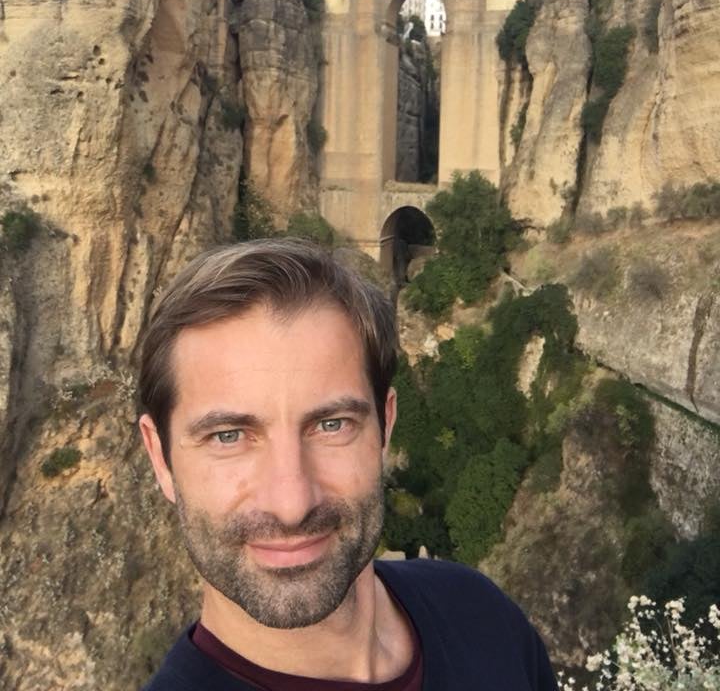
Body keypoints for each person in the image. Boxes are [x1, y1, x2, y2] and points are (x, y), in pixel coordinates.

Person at [138, 238, 558, 691]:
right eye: (228, 436)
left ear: (385, 426)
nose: (292, 503)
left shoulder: (480, 615)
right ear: (160, 458)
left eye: (331, 425)